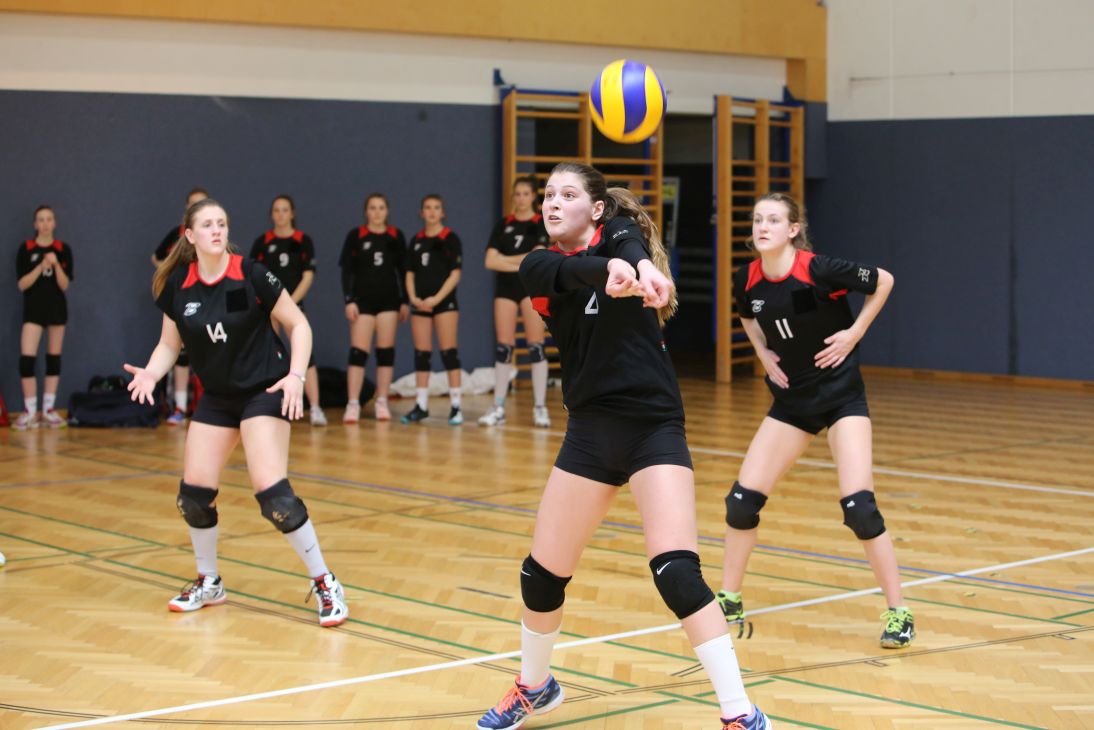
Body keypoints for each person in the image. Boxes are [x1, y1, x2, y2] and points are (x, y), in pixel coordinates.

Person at [475, 163, 771, 730]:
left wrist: (640, 268)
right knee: (540, 576)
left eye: (567, 194)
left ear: (595, 209)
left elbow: (627, 238)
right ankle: (535, 686)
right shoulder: (539, 265)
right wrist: (608, 268)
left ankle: (740, 713)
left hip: (651, 428)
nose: (552, 203)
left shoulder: (622, 238)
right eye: (548, 194)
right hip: (589, 434)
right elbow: (568, 270)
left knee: (677, 573)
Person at [125, 198, 348, 627]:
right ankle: (209, 581)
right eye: (207, 224)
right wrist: (152, 374)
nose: (216, 230)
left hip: (264, 390)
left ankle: (325, 581)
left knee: (274, 497)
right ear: (189, 235)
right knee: (193, 496)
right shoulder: (178, 286)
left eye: (222, 223)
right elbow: (170, 343)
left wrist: (296, 376)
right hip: (218, 396)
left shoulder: (251, 274)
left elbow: (299, 325)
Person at [718, 192, 912, 649]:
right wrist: (763, 354)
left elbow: (883, 280)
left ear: (792, 230)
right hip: (793, 402)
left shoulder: (820, 269)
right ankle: (729, 599)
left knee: (859, 508)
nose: (762, 226)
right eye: (757, 219)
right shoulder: (746, 278)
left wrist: (854, 333)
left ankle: (899, 612)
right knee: (741, 503)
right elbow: (747, 316)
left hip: (841, 398)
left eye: (773, 220)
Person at [478, 177, 552, 428]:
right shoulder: (504, 224)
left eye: (525, 194)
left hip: (531, 289)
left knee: (536, 347)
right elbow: (489, 261)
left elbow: (538, 256)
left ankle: (540, 407)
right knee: (504, 348)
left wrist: (506, 259)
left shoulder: (539, 223)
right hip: (506, 289)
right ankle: (498, 407)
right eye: (517, 194)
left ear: (533, 197)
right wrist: (522, 262)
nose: (520, 198)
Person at [249, 195, 326, 426]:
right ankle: (268, 406)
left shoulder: (302, 240)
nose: (280, 214)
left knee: (305, 355)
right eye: (276, 210)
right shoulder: (263, 242)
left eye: (285, 210)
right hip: (268, 308)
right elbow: (252, 276)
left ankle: (315, 408)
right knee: (269, 355)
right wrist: (271, 305)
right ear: (271, 214)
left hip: (293, 305)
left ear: (292, 213)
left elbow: (308, 276)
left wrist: (289, 304)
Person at [338, 193, 409, 422]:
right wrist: (349, 300)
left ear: (387, 211)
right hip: (363, 301)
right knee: (358, 353)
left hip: (389, 301)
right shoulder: (356, 236)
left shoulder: (395, 236)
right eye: (372, 208)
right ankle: (353, 403)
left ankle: (382, 401)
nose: (377, 212)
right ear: (366, 211)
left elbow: (403, 271)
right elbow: (347, 271)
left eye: (381, 208)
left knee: (385, 353)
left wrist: (405, 300)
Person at [401, 194, 464, 426]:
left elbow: (455, 274)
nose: (432, 212)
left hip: (444, 304)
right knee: (422, 354)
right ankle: (421, 405)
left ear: (443, 212)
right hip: (420, 304)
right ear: (421, 213)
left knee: (449, 353)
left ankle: (456, 406)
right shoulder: (416, 241)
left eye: (436, 208)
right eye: (427, 208)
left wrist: (436, 299)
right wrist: (414, 298)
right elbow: (409, 273)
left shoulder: (450, 239)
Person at [152, 187, 209, 425]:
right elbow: (156, 257)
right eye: (193, 204)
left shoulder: (213, 236)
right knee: (180, 354)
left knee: (211, 352)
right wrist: (171, 272)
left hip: (209, 300)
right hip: (185, 300)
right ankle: (180, 407)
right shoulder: (177, 235)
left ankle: (209, 406)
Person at [13, 205, 73, 430]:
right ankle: (30, 411)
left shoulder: (62, 249)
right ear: (35, 224)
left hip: (56, 309)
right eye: (41, 219)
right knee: (27, 360)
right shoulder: (26, 249)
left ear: (54, 223)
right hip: (34, 310)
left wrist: (55, 264)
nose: (45, 224)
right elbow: (22, 284)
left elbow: (65, 284)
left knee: (53, 359)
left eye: (49, 219)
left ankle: (48, 410)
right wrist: (41, 266)